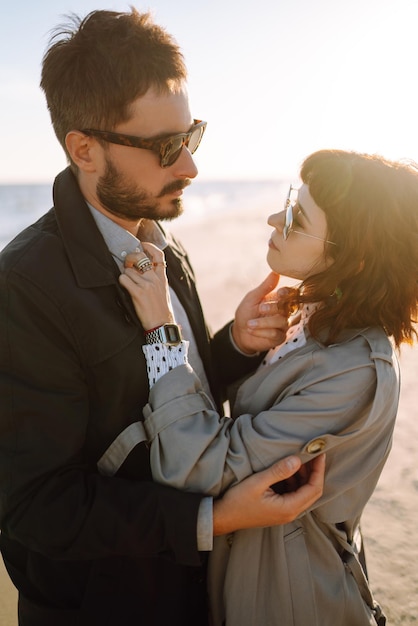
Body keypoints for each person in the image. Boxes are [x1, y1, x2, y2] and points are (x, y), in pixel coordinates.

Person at [0, 8, 326, 626]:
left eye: (191, 135)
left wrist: (233, 344)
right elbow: (36, 506)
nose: (191, 167)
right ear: (85, 150)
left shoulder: (159, 238)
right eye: (165, 147)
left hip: (195, 586)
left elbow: (174, 386)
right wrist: (213, 518)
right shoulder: (24, 289)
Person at [118, 148, 418, 626]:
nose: (273, 218)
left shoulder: (356, 370)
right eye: (288, 200)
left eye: (297, 218)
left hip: (289, 595)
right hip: (250, 568)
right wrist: (242, 345)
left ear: (354, 259)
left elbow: (197, 468)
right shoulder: (308, 318)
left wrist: (161, 331)